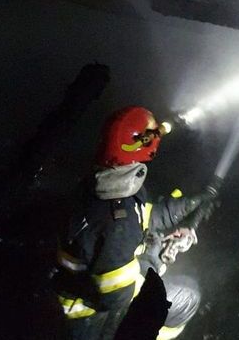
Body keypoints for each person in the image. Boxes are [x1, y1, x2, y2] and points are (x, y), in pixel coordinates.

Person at [53, 106, 216, 340]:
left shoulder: (107, 183)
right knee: (187, 297)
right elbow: (119, 297)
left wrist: (184, 207)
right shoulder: (117, 223)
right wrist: (155, 258)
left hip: (89, 285)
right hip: (86, 320)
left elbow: (141, 215)